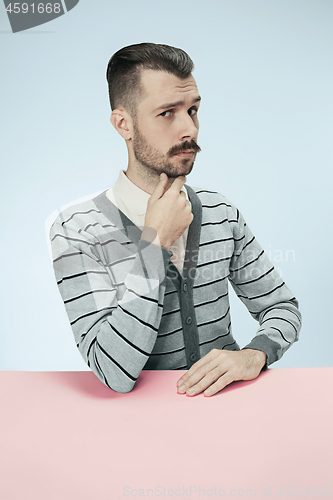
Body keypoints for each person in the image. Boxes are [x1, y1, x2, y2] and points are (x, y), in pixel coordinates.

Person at [50, 42, 301, 396]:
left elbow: (281, 307)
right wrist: (154, 243)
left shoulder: (219, 211)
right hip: (139, 431)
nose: (190, 129)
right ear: (124, 124)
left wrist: (254, 354)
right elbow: (112, 370)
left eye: (193, 110)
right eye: (168, 113)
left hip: (231, 415)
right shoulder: (77, 231)